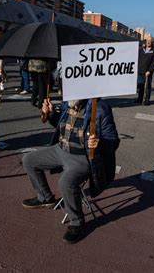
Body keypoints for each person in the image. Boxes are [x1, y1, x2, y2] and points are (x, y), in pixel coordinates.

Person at [22, 98, 119, 244]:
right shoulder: (68, 102)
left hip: (83, 157)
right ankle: (45, 197)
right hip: (60, 150)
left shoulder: (100, 108)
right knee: (29, 159)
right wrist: (50, 114)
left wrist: (99, 142)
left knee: (65, 182)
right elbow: (62, 126)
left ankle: (77, 222)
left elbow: (113, 140)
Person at [137, 38, 154, 105]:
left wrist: (149, 71)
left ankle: (146, 100)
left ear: (152, 42)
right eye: (147, 41)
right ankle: (139, 99)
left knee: (147, 87)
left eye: (150, 41)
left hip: (148, 72)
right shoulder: (141, 50)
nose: (148, 42)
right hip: (140, 71)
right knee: (140, 86)